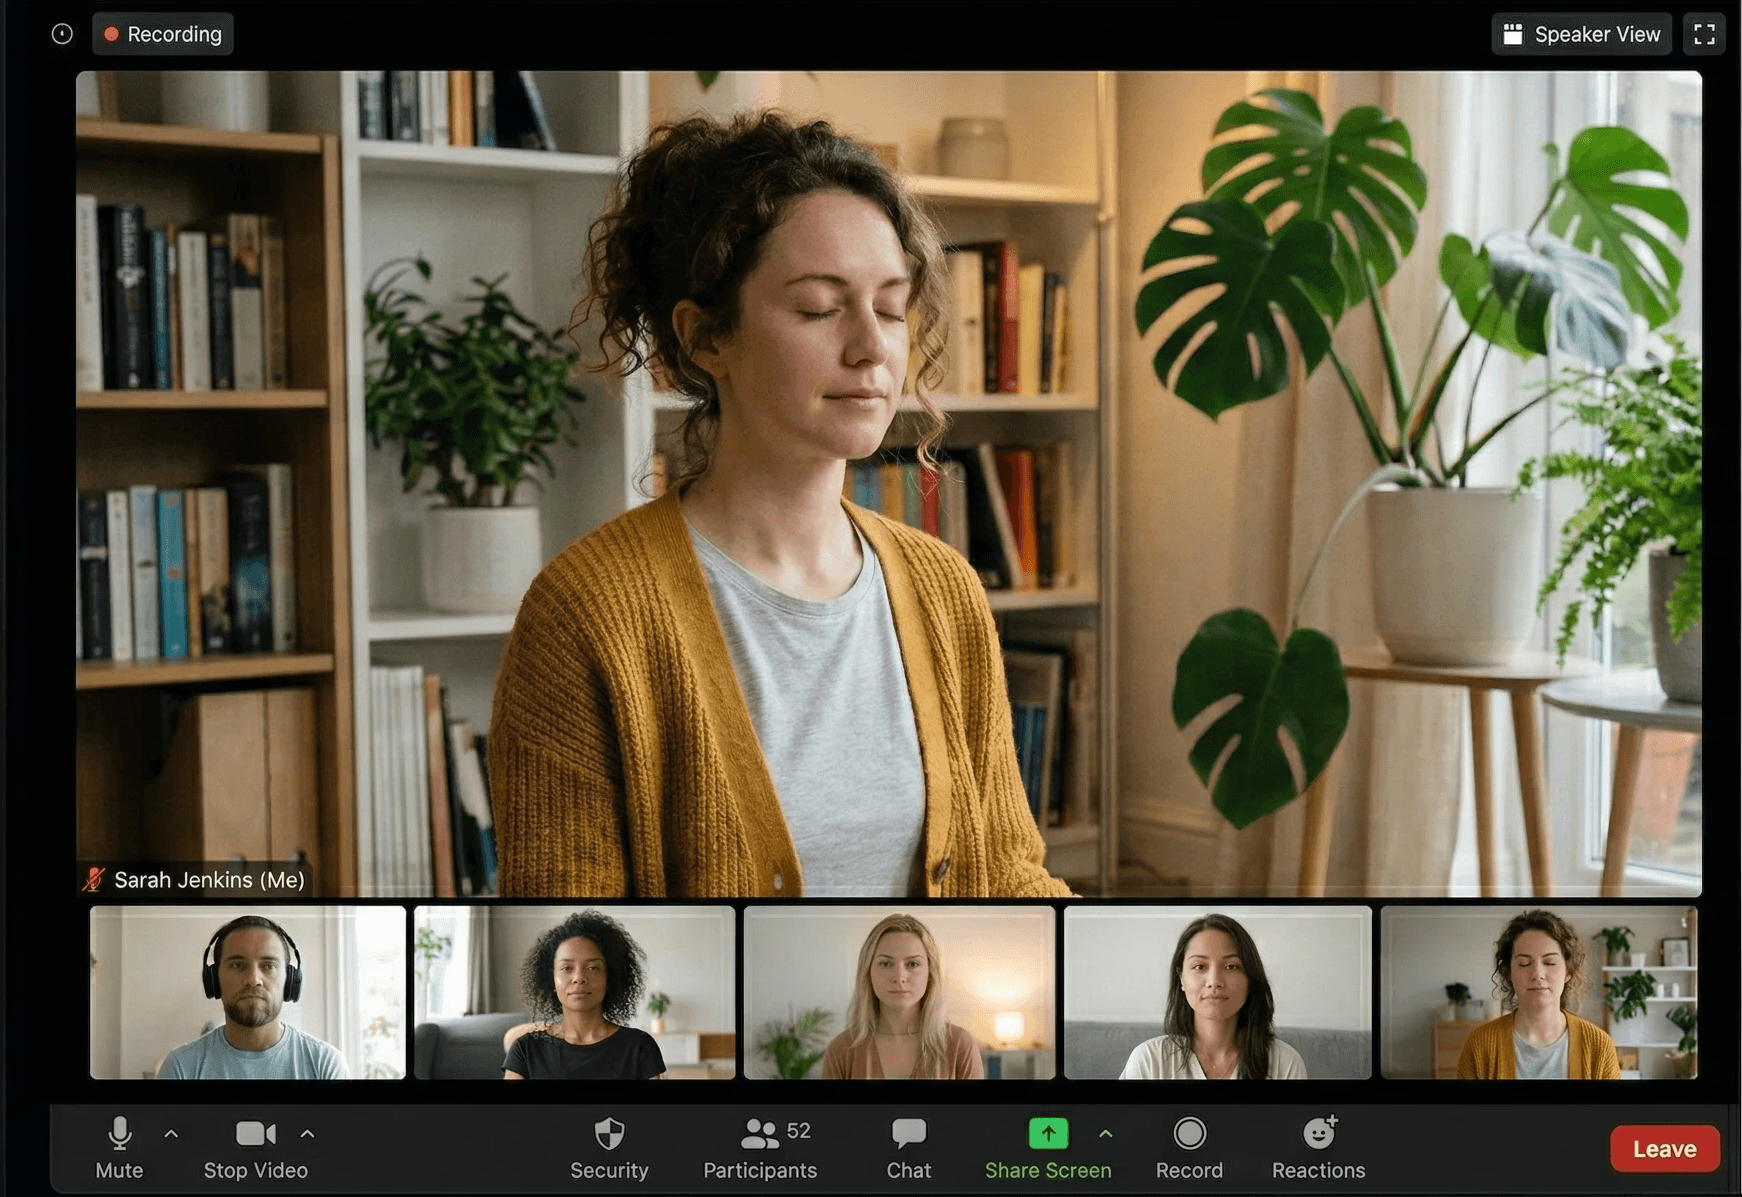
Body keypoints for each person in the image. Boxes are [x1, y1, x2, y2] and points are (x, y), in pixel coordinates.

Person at [489, 109, 1071, 901]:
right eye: (819, 307)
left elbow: (1009, 877)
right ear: (706, 339)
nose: (871, 347)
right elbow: (576, 944)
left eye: (891, 308)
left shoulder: (946, 591)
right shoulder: (585, 615)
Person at [157, 915, 348, 1080]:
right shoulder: (181, 1068)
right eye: (237, 965)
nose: (253, 980)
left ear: (289, 980)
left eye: (269, 966)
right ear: (214, 979)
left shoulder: (325, 1065)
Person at [1119, 913, 1306, 1080]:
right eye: (1200, 967)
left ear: (1250, 979)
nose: (1214, 981)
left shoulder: (1285, 1063)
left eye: (1231, 966)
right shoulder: (1149, 1061)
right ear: (1181, 979)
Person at [1455, 909, 1620, 1080]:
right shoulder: (1479, 1046)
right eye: (1524, 963)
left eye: (1549, 962)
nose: (1537, 973)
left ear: (1568, 971)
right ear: (1508, 973)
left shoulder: (1600, 1047)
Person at [503, 911, 665, 1080]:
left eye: (593, 968)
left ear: (610, 978)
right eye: (566, 968)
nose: (579, 978)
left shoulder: (639, 1046)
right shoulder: (525, 1050)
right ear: (551, 979)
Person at [820, 913, 983, 1079]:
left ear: (930, 973)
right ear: (868, 971)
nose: (899, 977)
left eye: (912, 964)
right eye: (885, 963)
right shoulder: (842, 1050)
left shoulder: (960, 1046)